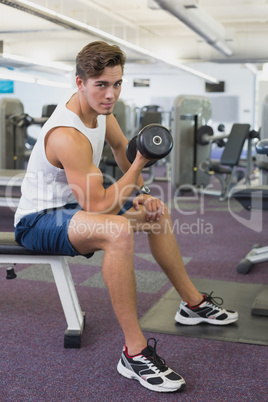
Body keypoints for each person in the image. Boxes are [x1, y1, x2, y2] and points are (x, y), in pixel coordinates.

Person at [14, 41, 238, 393]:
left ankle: (192, 304)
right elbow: (100, 204)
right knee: (118, 230)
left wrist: (144, 196)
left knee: (156, 213)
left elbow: (122, 148)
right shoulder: (67, 134)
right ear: (79, 83)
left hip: (74, 207)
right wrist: (139, 166)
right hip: (39, 219)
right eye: (101, 85)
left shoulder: (103, 113)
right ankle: (133, 353)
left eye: (116, 84)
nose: (110, 94)